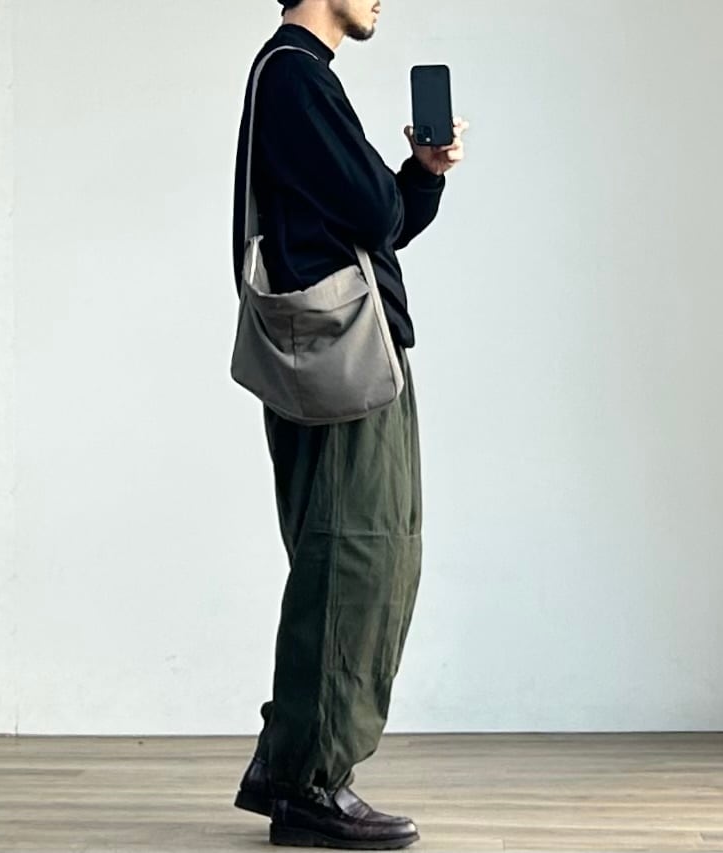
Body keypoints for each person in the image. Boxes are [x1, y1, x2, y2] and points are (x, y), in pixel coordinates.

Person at [231, 0, 467, 848]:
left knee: (365, 553)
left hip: (351, 358)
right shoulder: (295, 76)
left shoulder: (298, 77)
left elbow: (383, 218)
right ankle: (307, 783)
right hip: (345, 367)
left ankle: (289, 763)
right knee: (353, 559)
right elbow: (373, 211)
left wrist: (421, 174)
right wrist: (395, 185)